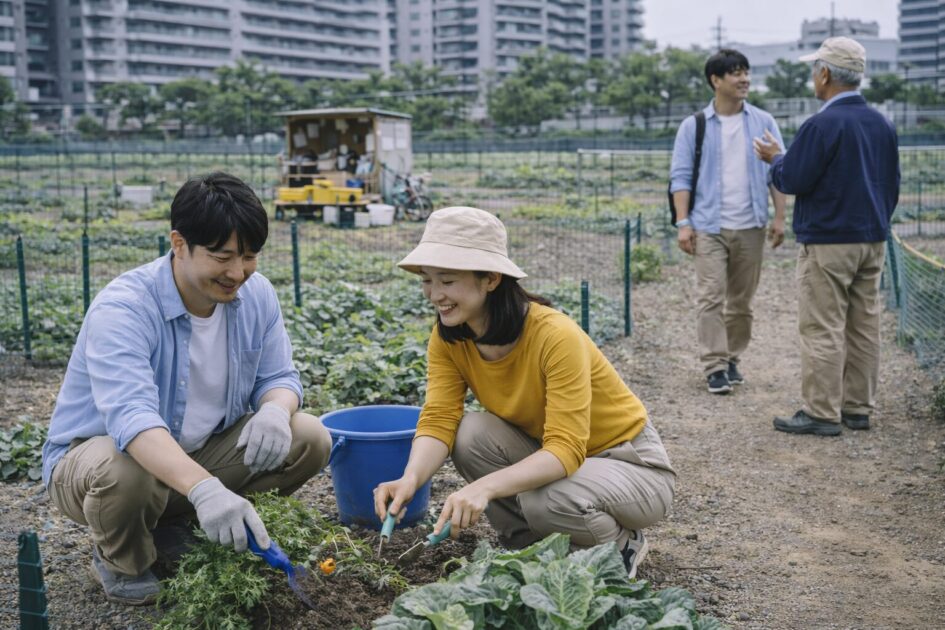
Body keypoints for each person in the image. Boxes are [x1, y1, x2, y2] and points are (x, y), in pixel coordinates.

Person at [41, 172, 332, 604]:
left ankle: (178, 523)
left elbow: (278, 378)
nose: (238, 272)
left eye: (250, 256)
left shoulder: (257, 296)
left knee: (308, 437)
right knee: (128, 470)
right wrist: (206, 488)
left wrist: (274, 409)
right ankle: (122, 562)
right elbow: (133, 421)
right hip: (99, 464)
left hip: (196, 453)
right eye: (222, 256)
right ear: (179, 244)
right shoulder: (125, 309)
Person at [372, 206, 676, 578]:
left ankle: (619, 547)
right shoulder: (450, 337)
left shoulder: (553, 335)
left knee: (546, 500)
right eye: (427, 281)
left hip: (630, 464)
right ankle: (526, 545)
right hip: (559, 455)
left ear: (491, 278)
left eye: (447, 281)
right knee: (468, 434)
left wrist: (483, 489)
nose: (435, 295)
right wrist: (411, 479)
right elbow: (439, 417)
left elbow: (565, 448)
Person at [753, 37, 900, 435]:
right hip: (872, 238)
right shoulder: (882, 122)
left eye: (814, 69)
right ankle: (857, 408)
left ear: (825, 74)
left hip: (830, 241)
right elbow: (893, 184)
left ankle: (821, 412)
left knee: (823, 325)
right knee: (864, 323)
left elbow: (794, 178)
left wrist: (775, 159)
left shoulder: (821, 124)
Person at [669, 49, 788, 395]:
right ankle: (715, 365)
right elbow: (680, 177)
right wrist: (683, 223)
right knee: (710, 297)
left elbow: (777, 172)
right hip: (709, 225)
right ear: (715, 80)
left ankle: (733, 356)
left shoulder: (763, 121)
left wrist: (780, 217)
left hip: (751, 224)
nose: (744, 79)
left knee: (741, 302)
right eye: (735, 73)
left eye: (746, 72)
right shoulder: (695, 126)